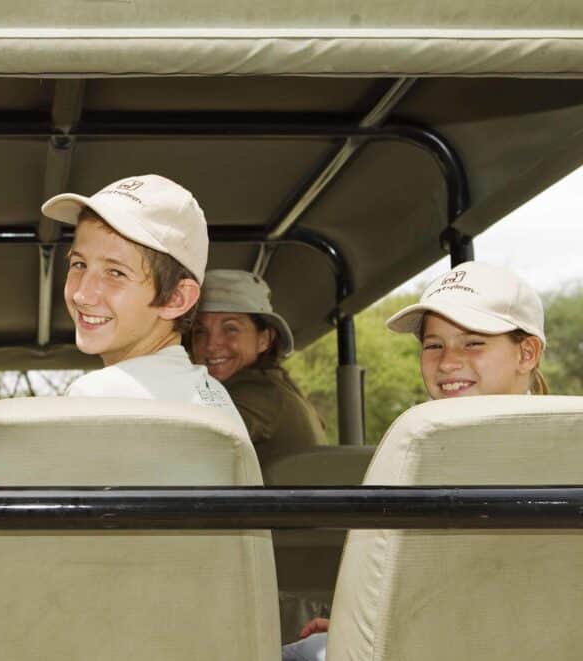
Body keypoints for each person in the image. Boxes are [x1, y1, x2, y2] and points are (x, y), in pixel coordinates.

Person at [282, 260, 547, 661]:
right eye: (433, 345)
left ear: (526, 352)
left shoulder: (420, 451)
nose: (447, 361)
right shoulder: (435, 449)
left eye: (473, 342)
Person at [40, 173, 244, 429]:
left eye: (116, 273)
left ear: (176, 298)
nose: (82, 294)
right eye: (79, 264)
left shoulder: (95, 397)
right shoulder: (217, 400)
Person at [191, 269, 326, 465]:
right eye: (200, 332)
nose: (211, 345)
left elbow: (191, 444)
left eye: (230, 329)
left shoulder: (257, 392)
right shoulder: (275, 386)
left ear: (264, 339)